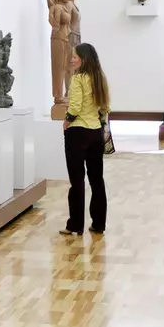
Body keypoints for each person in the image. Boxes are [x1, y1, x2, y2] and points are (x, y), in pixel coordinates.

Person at [60, 43, 110, 236]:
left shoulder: (78, 78)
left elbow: (75, 106)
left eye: (75, 57)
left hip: (77, 132)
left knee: (77, 181)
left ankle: (75, 225)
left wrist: (67, 121)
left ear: (84, 59)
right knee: (97, 180)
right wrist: (100, 119)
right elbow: (105, 106)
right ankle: (98, 224)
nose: (72, 59)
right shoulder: (100, 78)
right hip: (95, 132)